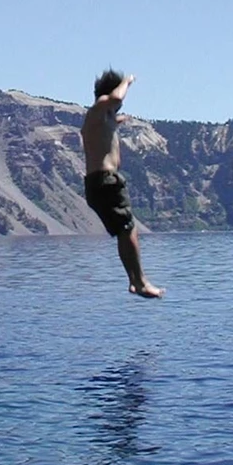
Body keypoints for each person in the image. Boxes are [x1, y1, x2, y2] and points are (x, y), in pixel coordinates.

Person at [81, 69, 164, 298]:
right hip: (105, 181)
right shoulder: (99, 107)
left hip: (101, 183)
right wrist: (128, 80)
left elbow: (109, 120)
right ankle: (139, 282)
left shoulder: (102, 118)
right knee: (127, 230)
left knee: (126, 229)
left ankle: (135, 280)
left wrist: (119, 120)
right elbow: (115, 98)